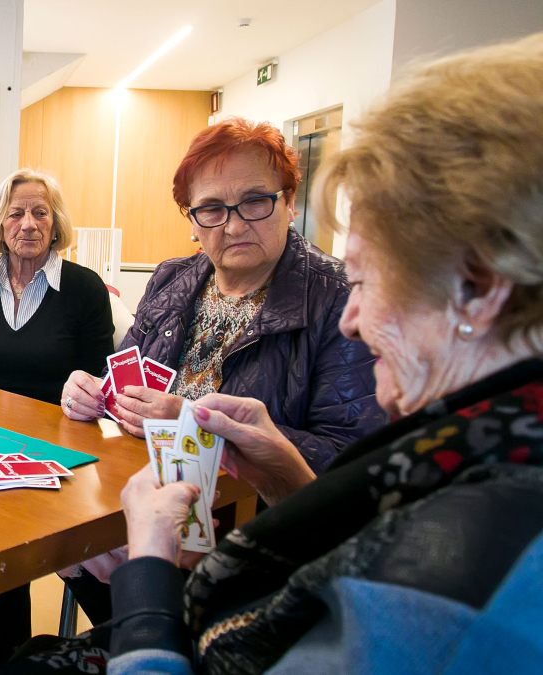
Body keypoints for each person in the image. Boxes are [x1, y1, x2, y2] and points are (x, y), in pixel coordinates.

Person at [103, 33, 543, 675]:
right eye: (210, 210)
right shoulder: (471, 446)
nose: (355, 318)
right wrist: (281, 472)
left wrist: (147, 570)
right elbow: (348, 537)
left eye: (366, 280)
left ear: (476, 289)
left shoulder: (466, 563)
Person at [55, 117, 386, 624]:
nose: (232, 225)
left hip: (259, 545)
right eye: (211, 208)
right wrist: (92, 393)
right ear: (192, 220)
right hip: (144, 503)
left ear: (289, 202)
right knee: (67, 549)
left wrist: (193, 423)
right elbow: (126, 382)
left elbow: (352, 462)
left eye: (255, 201)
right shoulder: (172, 279)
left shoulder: (340, 297)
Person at [0, 168, 115, 675]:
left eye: (40, 212)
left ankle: (6, 653)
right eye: (16, 213)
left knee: (6, 519)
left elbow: (104, 382)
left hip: (56, 452)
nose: (28, 223)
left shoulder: (84, 289)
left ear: (56, 224)